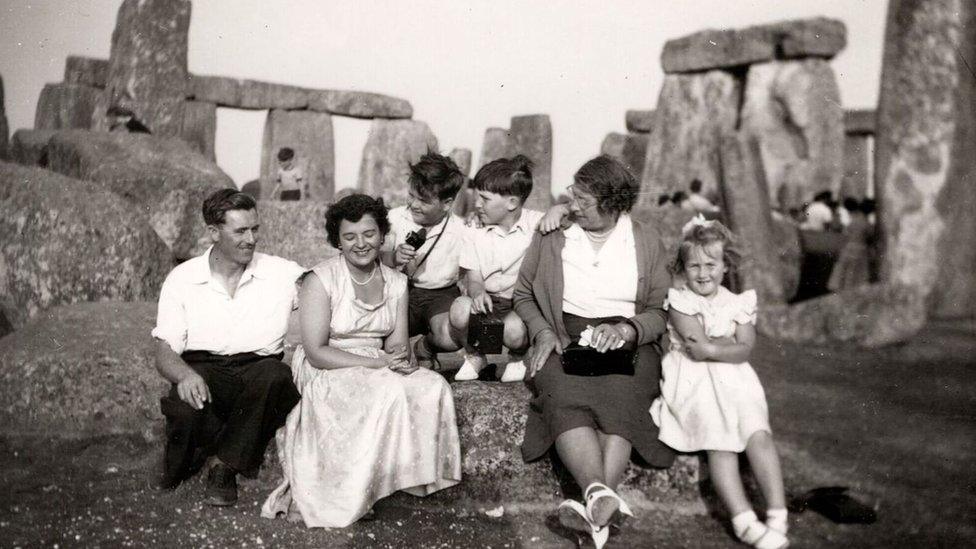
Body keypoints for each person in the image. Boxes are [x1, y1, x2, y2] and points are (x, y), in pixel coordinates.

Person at [262, 194, 461, 527]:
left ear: (382, 235)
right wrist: (380, 365)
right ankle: (352, 490)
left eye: (369, 234)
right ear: (337, 241)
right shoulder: (319, 279)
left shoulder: (397, 282)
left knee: (432, 385)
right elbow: (315, 351)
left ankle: (395, 477)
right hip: (329, 361)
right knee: (378, 390)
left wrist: (401, 363)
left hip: (378, 360)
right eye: (349, 237)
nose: (361, 244)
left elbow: (397, 345)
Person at [513, 155, 675, 548]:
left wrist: (627, 329)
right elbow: (523, 294)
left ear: (614, 203)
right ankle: (602, 498)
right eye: (574, 196)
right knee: (562, 391)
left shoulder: (646, 240)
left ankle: (593, 503)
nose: (575, 205)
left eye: (585, 201)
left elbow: (659, 310)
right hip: (564, 336)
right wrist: (543, 333)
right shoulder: (554, 235)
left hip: (628, 340)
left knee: (625, 392)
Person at [153, 189, 304, 506]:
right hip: (204, 370)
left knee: (276, 376)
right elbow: (165, 351)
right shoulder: (183, 279)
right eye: (240, 231)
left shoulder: (281, 273)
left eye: (255, 229)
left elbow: (331, 284)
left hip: (259, 372)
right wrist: (184, 377)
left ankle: (222, 467)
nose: (251, 239)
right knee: (181, 431)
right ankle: (203, 452)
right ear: (213, 232)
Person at [650, 216, 788, 549]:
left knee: (758, 433)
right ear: (682, 268)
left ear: (726, 266)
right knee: (720, 440)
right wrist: (724, 345)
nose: (703, 273)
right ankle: (743, 520)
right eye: (694, 265)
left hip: (736, 381)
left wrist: (717, 347)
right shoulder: (681, 301)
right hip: (694, 381)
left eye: (711, 264)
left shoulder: (738, 302)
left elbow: (746, 349)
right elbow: (696, 349)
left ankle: (777, 514)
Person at [448, 155, 544, 382]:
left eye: (485, 199)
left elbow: (566, 219)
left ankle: (517, 357)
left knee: (515, 331)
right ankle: (477, 355)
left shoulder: (535, 223)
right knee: (460, 310)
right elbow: (474, 278)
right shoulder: (474, 229)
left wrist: (558, 211)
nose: (477, 204)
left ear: (511, 203)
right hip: (487, 300)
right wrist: (478, 292)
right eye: (477, 197)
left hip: (518, 303)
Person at [381, 151, 468, 368]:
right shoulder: (394, 218)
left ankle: (425, 347)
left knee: (449, 337)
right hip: (402, 292)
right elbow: (379, 257)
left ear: (447, 203)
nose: (414, 204)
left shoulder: (461, 229)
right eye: (411, 196)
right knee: (385, 341)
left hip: (441, 295)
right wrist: (393, 257)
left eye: (424, 200)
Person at [828, 198, 872, 291]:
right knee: (856, 276)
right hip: (861, 249)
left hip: (848, 248)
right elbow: (870, 236)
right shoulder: (867, 223)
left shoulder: (853, 219)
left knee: (844, 274)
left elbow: (845, 234)